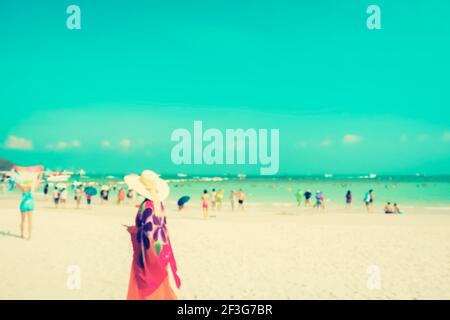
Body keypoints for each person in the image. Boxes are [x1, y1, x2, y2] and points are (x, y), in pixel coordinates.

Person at [124, 170, 181, 299]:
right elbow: (160, 228)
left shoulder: (147, 205)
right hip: (161, 250)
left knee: (146, 288)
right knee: (160, 287)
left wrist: (132, 230)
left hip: (149, 253)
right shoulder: (158, 204)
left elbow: (147, 233)